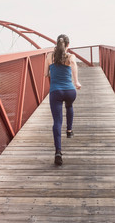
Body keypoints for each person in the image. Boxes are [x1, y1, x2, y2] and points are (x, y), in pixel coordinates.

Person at [44, 34, 81, 166]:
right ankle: (69, 131)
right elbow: (75, 71)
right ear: (68, 45)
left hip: (56, 92)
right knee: (69, 106)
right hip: (70, 91)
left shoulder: (49, 56)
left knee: (57, 122)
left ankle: (58, 152)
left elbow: (46, 74)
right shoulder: (71, 57)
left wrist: (53, 72)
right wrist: (76, 83)